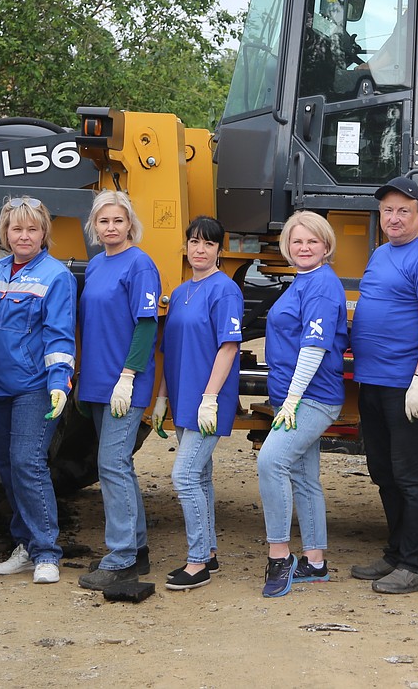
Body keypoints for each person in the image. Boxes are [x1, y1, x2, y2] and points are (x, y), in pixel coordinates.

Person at [350, 176, 418, 594]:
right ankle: (395, 553)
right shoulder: (380, 253)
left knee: (411, 475)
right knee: (383, 472)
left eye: (403, 211)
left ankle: (415, 566)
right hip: (372, 381)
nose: (394, 218)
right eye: (387, 211)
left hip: (405, 385)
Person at [0, 196, 76, 585]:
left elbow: (59, 336)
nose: (23, 236)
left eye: (32, 229)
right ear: (5, 233)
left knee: (27, 462)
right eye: (16, 228)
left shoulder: (56, 276)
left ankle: (47, 552)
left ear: (44, 232)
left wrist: (59, 381)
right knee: (7, 466)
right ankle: (25, 544)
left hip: (35, 386)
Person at [256, 211, 349, 597]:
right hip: (294, 396)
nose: (304, 247)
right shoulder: (302, 281)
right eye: (297, 241)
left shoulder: (322, 286)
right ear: (287, 248)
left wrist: (292, 400)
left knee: (270, 461)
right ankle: (315, 562)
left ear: (326, 246)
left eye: (312, 241)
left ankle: (280, 556)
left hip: (311, 397)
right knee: (304, 477)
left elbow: (313, 347)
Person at [74, 191, 160, 591]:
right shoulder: (95, 265)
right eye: (103, 221)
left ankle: (122, 557)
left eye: (118, 221)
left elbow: (146, 325)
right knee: (117, 467)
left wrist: (128, 376)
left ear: (130, 224)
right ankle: (136, 550)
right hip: (95, 382)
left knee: (111, 464)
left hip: (124, 383)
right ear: (95, 226)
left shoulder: (140, 264)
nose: (111, 227)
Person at [155, 215, 243, 591]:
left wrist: (210, 398)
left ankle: (196, 563)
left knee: (185, 476)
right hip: (181, 397)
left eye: (208, 244)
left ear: (219, 250)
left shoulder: (225, 291)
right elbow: (168, 351)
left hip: (209, 400)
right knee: (201, 476)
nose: (199, 249)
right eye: (194, 242)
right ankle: (208, 552)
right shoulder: (178, 293)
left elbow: (228, 346)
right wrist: (161, 398)